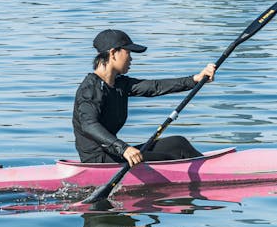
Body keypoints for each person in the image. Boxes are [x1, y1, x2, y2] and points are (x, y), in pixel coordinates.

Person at [73, 29, 216, 165]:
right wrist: (123, 148)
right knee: (169, 158)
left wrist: (195, 79)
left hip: (114, 152)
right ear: (113, 53)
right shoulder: (90, 90)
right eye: (128, 52)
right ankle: (207, 172)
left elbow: (155, 87)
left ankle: (211, 167)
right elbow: (89, 125)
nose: (131, 58)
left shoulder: (120, 84)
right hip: (99, 160)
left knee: (178, 144)